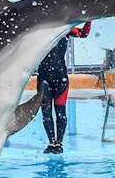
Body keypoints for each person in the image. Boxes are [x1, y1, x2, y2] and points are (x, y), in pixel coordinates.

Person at [38, 21, 92, 154]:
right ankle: (51, 142)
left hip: (60, 78)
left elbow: (83, 34)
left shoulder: (66, 29)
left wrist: (89, 20)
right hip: (44, 78)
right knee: (46, 113)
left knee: (60, 112)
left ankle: (59, 142)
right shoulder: (39, 32)